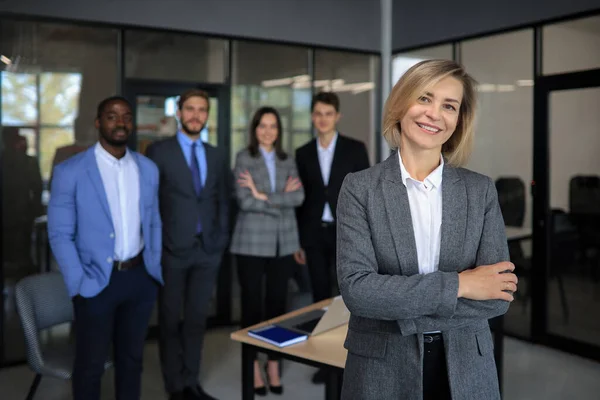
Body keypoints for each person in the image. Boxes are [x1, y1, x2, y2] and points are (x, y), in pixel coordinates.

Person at [336, 59, 518, 400]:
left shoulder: (479, 191)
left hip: (466, 365)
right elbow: (358, 291)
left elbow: (499, 295)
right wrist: (461, 284)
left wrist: (398, 308)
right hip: (381, 368)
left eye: (449, 106)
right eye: (424, 98)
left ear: (459, 120)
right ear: (401, 103)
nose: (435, 114)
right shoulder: (360, 188)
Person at [47, 96, 163, 400]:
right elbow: (59, 234)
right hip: (95, 281)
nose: (120, 122)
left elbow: (154, 223)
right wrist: (78, 283)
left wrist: (153, 271)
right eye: (111, 116)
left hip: (139, 279)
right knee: (90, 366)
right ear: (99, 123)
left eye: (125, 116)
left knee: (132, 361)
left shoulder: (148, 169)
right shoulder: (70, 171)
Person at [146, 89, 230, 400]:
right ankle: (175, 386)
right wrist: (156, 247)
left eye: (202, 110)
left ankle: (192, 381)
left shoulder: (217, 154)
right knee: (169, 320)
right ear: (179, 113)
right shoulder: (158, 152)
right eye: (190, 109)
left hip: (207, 250)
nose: (196, 115)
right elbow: (150, 203)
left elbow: (223, 199)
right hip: (172, 251)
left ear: (207, 115)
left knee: (196, 320)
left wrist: (220, 240)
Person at [294, 91, 370, 383]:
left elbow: (365, 194)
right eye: (317, 114)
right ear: (312, 117)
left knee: (348, 296)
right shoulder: (302, 152)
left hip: (347, 234)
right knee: (319, 296)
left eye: (328, 113)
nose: (322, 119)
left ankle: (350, 359)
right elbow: (302, 201)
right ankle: (325, 361)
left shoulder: (354, 149)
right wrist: (299, 240)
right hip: (314, 234)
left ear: (337, 116)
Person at [230, 107, 304, 396]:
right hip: (250, 243)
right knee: (251, 305)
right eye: (263, 125)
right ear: (255, 128)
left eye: (273, 126)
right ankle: (252, 367)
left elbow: (298, 197)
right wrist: (278, 200)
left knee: (277, 306)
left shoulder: (288, 160)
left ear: (279, 131)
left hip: (283, 245)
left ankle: (273, 364)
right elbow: (243, 201)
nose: (268, 131)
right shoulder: (243, 158)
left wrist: (262, 195)